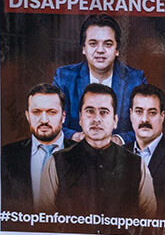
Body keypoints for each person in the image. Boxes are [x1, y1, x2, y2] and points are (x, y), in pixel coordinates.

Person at [40, 84, 155, 220]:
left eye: (104, 112)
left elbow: (149, 218)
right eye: (90, 111)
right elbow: (44, 218)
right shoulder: (56, 163)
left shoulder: (136, 165)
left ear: (115, 121)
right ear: (80, 118)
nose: (96, 119)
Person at [54, 14, 147, 144]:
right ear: (84, 48)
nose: (100, 50)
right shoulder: (64, 78)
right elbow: (53, 122)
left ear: (117, 49)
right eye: (93, 44)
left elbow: (145, 125)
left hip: (120, 153)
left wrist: (119, 140)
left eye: (107, 44)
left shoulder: (135, 79)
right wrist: (75, 136)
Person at [0, 83, 67, 213]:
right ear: (27, 116)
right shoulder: (8, 155)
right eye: (36, 112)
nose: (44, 120)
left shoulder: (83, 154)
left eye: (52, 112)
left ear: (63, 116)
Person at [128, 84, 165, 222]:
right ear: (131, 114)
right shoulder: (117, 154)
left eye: (152, 113)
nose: (144, 119)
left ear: (162, 116)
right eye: (139, 111)